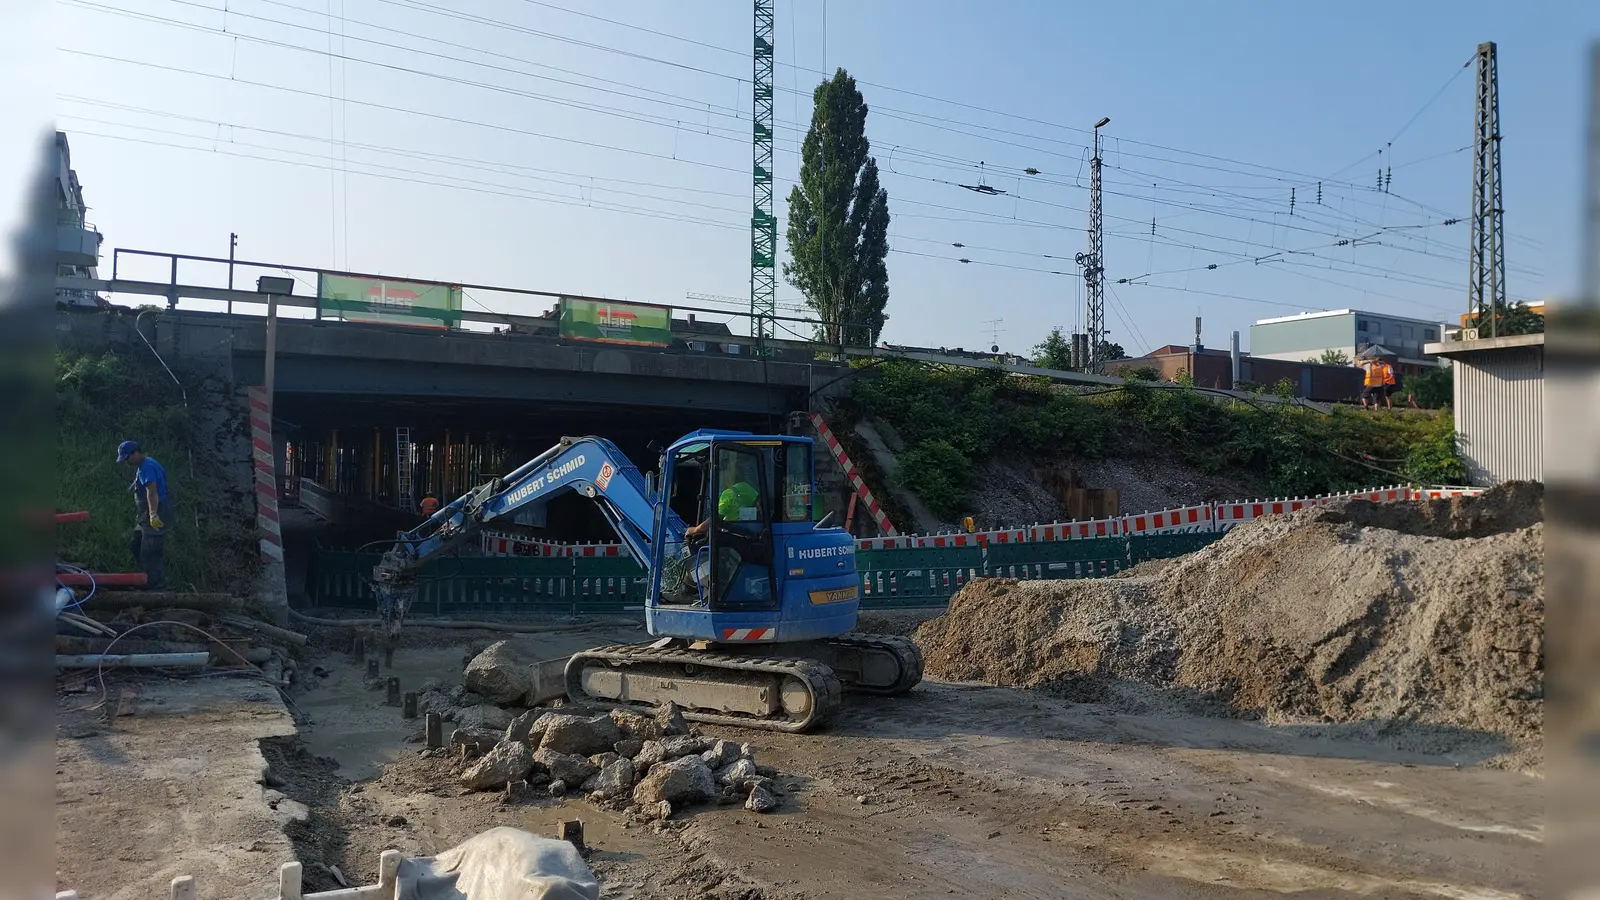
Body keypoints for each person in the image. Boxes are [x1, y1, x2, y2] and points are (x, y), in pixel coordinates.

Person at [118, 440, 173, 588]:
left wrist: (153, 514)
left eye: (127, 458)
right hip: (145, 515)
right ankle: (143, 575)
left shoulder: (146, 468)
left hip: (156, 511)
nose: (126, 462)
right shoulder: (146, 463)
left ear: (136, 453)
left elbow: (152, 493)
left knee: (150, 551)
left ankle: (155, 584)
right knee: (136, 544)